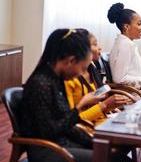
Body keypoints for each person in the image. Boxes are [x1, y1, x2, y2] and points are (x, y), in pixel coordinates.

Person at [20, 28, 132, 162]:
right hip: (48, 151)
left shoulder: (55, 80)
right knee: (118, 160)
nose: (80, 74)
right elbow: (51, 131)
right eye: (83, 68)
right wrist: (80, 106)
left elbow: (67, 126)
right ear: (71, 61)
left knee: (118, 154)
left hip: (63, 143)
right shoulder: (41, 84)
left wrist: (94, 142)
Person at [65, 29, 132, 126]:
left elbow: (96, 104)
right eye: (95, 44)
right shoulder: (70, 79)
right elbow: (73, 121)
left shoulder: (92, 69)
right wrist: (104, 106)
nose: (99, 48)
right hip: (88, 130)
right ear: (82, 49)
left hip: (102, 121)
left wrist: (109, 108)